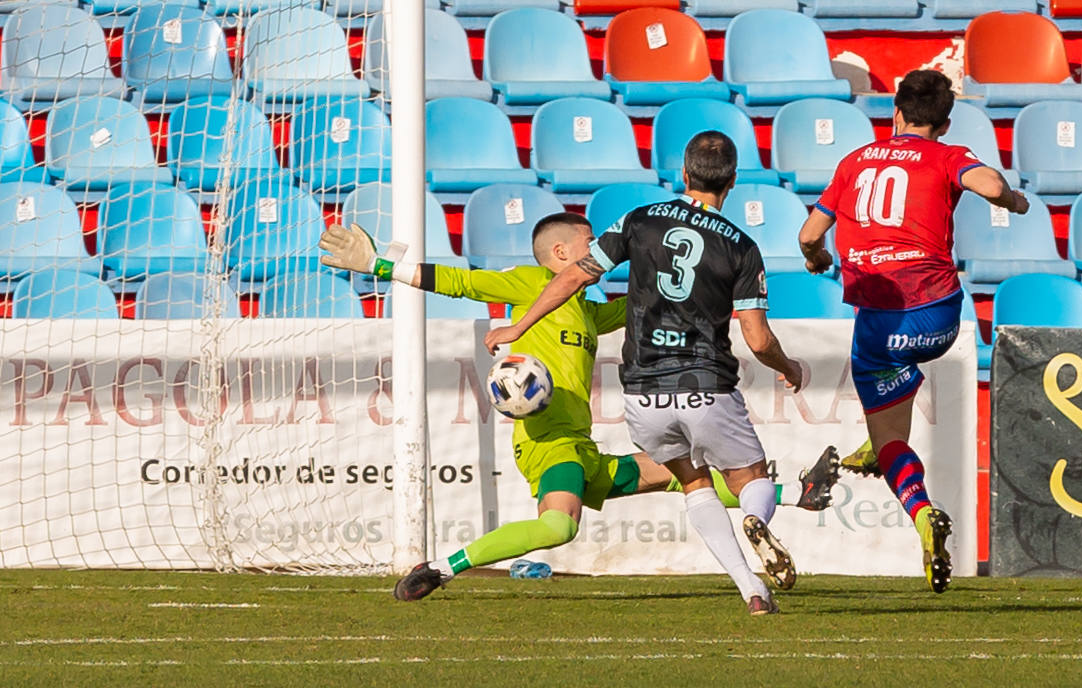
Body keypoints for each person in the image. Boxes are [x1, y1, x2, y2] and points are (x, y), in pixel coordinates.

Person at [319, 212, 831, 613]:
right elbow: (462, 282)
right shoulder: (528, 283)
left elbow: (650, 305)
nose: (598, 253)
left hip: (583, 448)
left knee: (683, 474)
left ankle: (792, 494)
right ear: (560, 253)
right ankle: (440, 569)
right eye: (590, 245)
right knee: (559, 529)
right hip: (549, 444)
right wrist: (382, 267)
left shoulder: (587, 308)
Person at [483, 132, 806, 615]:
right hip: (707, 383)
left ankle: (753, 591)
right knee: (750, 480)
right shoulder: (742, 246)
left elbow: (575, 275)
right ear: (733, 182)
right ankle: (757, 519)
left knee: (694, 483)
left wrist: (519, 324)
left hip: (643, 391)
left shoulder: (641, 219)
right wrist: (788, 366)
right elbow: (758, 340)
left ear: (684, 174)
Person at [797, 69, 1029, 594]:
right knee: (893, 398)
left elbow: (809, 234)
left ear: (895, 114)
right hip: (941, 315)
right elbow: (991, 185)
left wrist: (817, 258)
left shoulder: (854, 161)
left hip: (881, 322)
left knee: (889, 435)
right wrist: (1011, 202)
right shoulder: (947, 155)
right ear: (944, 124)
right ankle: (873, 447)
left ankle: (921, 511)